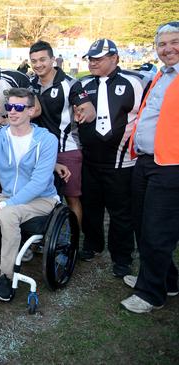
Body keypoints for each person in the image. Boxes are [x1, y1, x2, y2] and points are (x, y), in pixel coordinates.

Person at [0, 88, 58, 302]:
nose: (12, 111)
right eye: (9, 106)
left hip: (42, 199)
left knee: (8, 214)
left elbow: (39, 183)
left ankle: (7, 276)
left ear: (31, 111)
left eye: (19, 107)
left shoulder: (47, 140)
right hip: (8, 196)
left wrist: (6, 205)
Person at [77, 39, 148, 278]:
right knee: (91, 207)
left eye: (98, 58)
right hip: (90, 160)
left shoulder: (135, 82)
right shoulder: (83, 83)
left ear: (114, 58)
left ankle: (122, 257)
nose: (92, 63)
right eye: (90, 58)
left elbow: (146, 116)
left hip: (122, 161)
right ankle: (93, 244)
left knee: (120, 212)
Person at [122, 22, 179, 313]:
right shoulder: (162, 74)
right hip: (146, 159)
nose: (167, 48)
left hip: (170, 164)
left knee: (158, 229)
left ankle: (151, 294)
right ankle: (165, 279)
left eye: (174, 42)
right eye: (162, 44)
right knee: (142, 224)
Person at [28, 40, 96, 229]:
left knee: (71, 198)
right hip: (38, 150)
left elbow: (89, 110)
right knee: (40, 196)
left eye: (42, 59)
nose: (38, 64)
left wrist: (85, 113)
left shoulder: (70, 84)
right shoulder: (31, 84)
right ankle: (43, 237)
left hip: (66, 150)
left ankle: (71, 242)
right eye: (34, 61)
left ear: (52, 60)